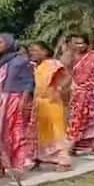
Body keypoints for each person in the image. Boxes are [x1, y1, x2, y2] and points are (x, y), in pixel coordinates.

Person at [0, 33, 35, 177]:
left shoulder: (20, 61)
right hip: (0, 100)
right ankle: (0, 166)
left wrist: (24, 99)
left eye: (0, 43)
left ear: (9, 43)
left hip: (14, 99)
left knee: (15, 131)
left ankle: (19, 165)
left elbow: (28, 82)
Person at [29, 41, 71, 170]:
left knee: (57, 132)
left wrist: (59, 89)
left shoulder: (54, 64)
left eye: (36, 50)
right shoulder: (36, 66)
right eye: (31, 51)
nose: (32, 53)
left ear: (45, 51)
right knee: (41, 133)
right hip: (39, 104)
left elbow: (67, 77)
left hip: (52, 103)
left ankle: (64, 162)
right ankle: (44, 159)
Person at [67, 34, 94, 154]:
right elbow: (69, 73)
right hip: (76, 92)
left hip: (91, 92)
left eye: (82, 43)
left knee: (92, 120)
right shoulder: (72, 57)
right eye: (77, 43)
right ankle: (74, 145)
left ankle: (93, 145)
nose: (79, 46)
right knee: (75, 119)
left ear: (87, 44)